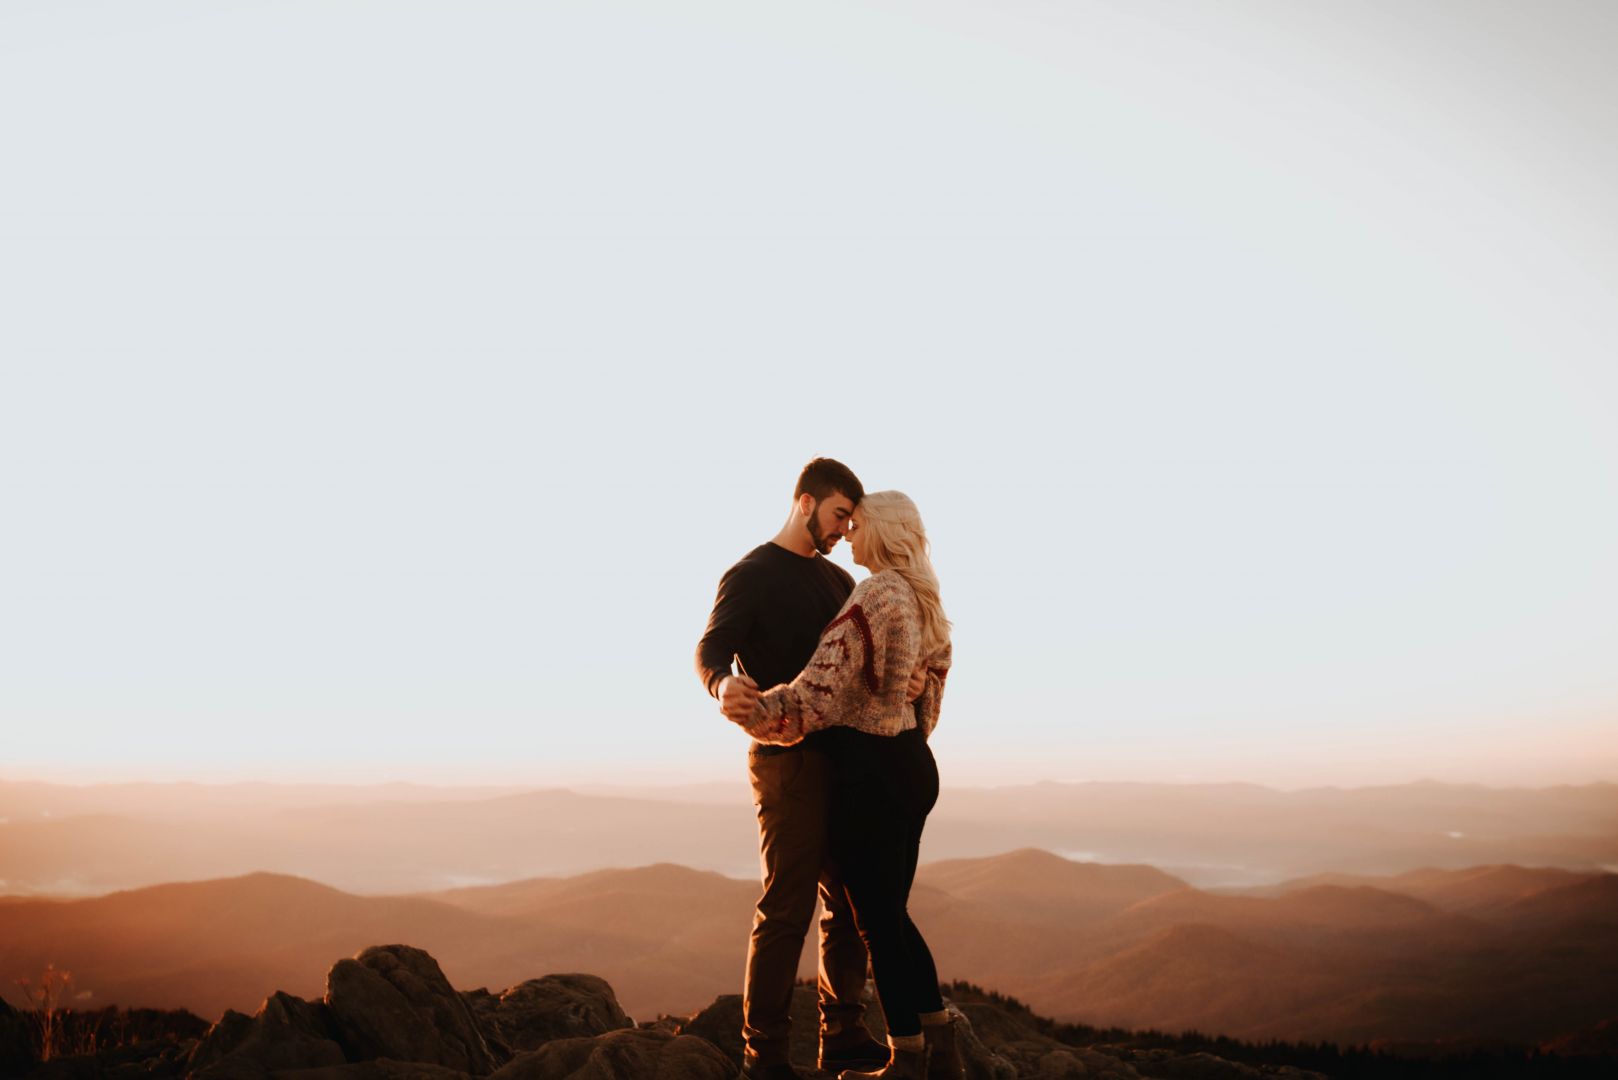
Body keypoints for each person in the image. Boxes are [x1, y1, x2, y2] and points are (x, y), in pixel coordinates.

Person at [732, 490, 961, 1080]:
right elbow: (931, 682)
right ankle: (942, 1048)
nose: (850, 535)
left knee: (876, 924)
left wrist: (757, 712)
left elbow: (819, 689)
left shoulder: (876, 593)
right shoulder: (922, 595)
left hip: (873, 775)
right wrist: (904, 703)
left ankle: (907, 1057)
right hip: (913, 763)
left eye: (858, 525)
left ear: (881, 532)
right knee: (893, 915)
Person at [695, 457, 890, 1080]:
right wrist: (721, 684)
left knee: (850, 904)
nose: (844, 529)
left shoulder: (840, 582)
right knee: (786, 908)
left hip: (847, 759)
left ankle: (844, 1036)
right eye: (839, 515)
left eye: (851, 521)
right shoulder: (752, 573)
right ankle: (766, 1057)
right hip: (786, 762)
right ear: (806, 502)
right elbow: (710, 647)